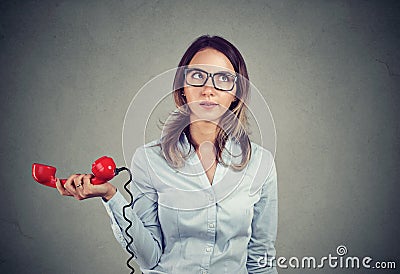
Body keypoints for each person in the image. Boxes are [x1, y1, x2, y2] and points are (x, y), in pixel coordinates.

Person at [56, 35, 278, 274]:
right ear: (182, 88)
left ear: (237, 92)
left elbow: (261, 260)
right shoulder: (149, 159)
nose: (208, 90)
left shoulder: (260, 163)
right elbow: (148, 258)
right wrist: (111, 195)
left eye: (223, 78)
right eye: (197, 76)